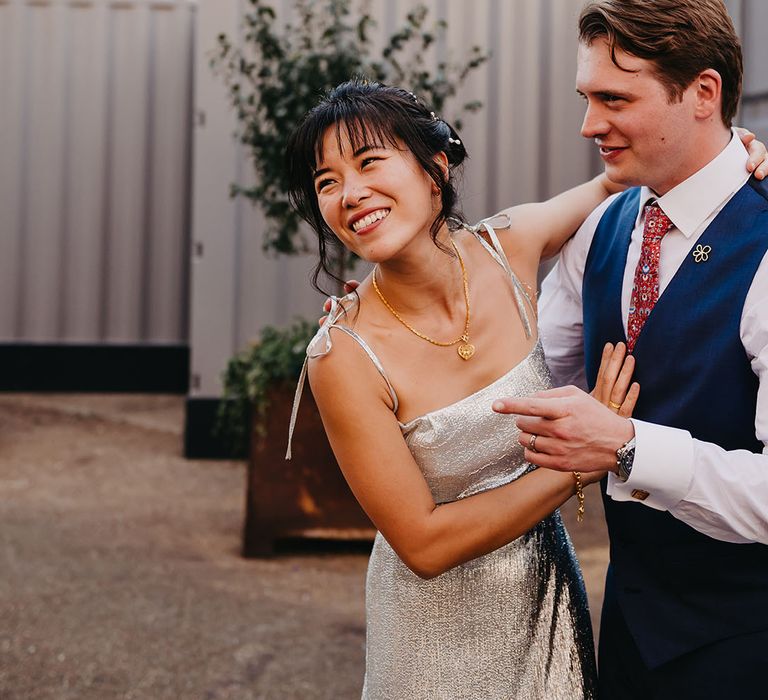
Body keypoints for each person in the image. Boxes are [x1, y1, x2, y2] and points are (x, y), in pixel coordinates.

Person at [283, 78, 647, 699]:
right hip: (432, 646)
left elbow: (626, 178)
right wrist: (584, 456)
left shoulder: (511, 247)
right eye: (327, 182)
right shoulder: (343, 355)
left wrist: (742, 152)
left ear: (435, 167)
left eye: (370, 161)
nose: (351, 193)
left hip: (546, 607)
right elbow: (422, 542)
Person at [490, 1, 768, 698]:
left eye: (614, 98)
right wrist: (388, 322)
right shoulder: (604, 228)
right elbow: (523, 380)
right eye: (587, 98)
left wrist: (628, 448)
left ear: (703, 93)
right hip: (628, 633)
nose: (589, 125)